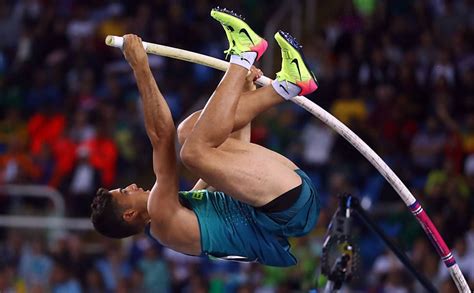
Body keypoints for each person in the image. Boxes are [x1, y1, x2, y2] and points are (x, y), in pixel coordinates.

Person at [91, 8, 319, 267]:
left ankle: (287, 86)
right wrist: (140, 66)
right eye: (124, 191)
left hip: (285, 197)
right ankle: (245, 54)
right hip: (287, 208)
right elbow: (160, 136)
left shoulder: (183, 209)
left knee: (189, 133)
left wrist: (244, 88)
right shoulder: (162, 217)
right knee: (191, 153)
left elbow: (233, 152)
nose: (131, 185)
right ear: (130, 214)